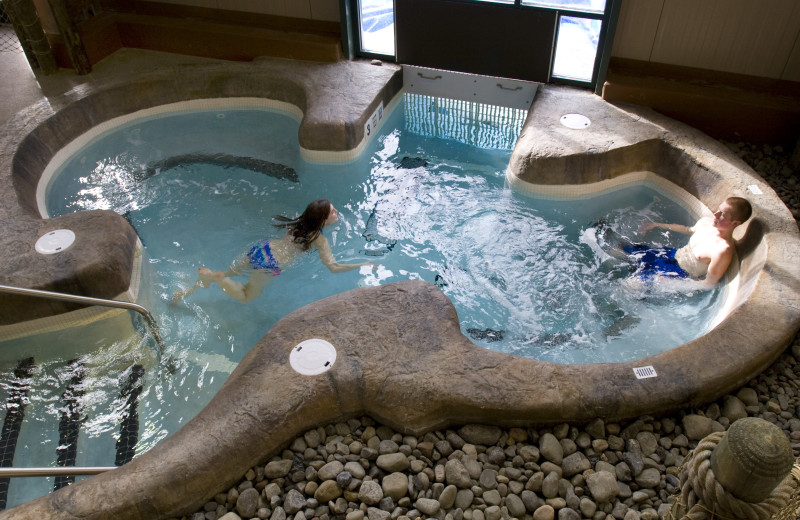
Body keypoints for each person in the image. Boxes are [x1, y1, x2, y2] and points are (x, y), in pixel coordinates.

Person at [172, 199, 371, 304]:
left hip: (261, 248)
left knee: (230, 271)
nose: (336, 213)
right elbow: (334, 268)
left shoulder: (299, 222)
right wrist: (362, 264)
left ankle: (185, 292)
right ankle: (213, 277)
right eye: (333, 212)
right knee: (246, 297)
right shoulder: (320, 240)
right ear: (322, 220)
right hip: (269, 264)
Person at [629, 196, 752, 287]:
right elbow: (688, 229)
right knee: (619, 250)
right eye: (718, 210)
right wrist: (656, 225)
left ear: (735, 223)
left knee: (630, 285)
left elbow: (709, 284)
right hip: (671, 254)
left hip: (678, 274)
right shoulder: (706, 223)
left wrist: (672, 283)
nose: (716, 214)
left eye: (723, 214)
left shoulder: (722, 251)